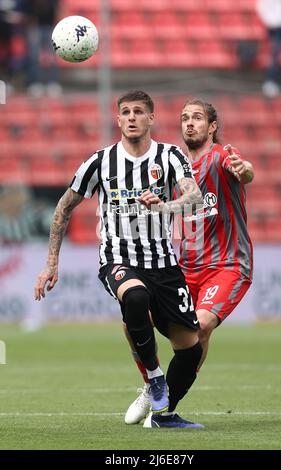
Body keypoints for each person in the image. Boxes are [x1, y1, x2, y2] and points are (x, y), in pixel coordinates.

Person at [34, 90, 205, 429]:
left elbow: (194, 198)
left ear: (151, 118)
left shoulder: (170, 156)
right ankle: (154, 377)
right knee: (135, 296)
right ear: (118, 119)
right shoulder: (100, 161)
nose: (131, 117)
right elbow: (64, 206)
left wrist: (163, 206)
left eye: (138, 112)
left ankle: (163, 415)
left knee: (190, 349)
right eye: (125, 112)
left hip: (164, 264)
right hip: (117, 257)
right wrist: (51, 263)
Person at [124, 98, 254, 425]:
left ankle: (166, 409)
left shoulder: (220, 155)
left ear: (212, 127)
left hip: (226, 264)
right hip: (182, 268)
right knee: (134, 318)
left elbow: (243, 168)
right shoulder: (172, 164)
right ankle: (152, 383)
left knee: (202, 326)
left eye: (197, 118)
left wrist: (245, 170)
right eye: (184, 118)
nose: (189, 124)